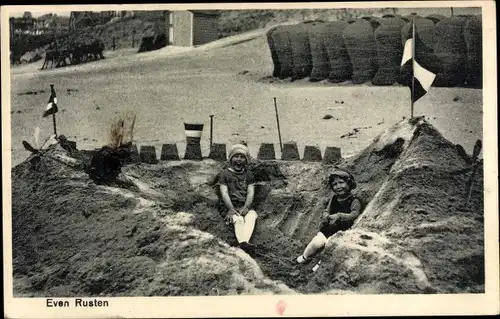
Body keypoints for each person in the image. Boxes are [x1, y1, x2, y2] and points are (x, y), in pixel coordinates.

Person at [296, 169, 362, 264]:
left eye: (341, 183)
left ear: (349, 183)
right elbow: (327, 210)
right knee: (316, 242)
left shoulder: (354, 200)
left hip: (343, 231)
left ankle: (321, 265)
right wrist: (326, 215)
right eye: (335, 184)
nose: (338, 186)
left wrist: (339, 216)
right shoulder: (334, 198)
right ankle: (305, 257)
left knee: (329, 247)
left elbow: (355, 214)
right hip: (330, 227)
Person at [218, 144, 258, 256]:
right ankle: (244, 244)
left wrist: (246, 207)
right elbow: (224, 193)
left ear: (246, 160)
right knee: (238, 220)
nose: (239, 160)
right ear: (231, 159)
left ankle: (244, 244)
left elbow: (250, 192)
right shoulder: (225, 174)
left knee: (251, 217)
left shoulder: (249, 174)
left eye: (242, 157)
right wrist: (230, 209)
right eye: (236, 156)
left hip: (244, 205)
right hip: (231, 205)